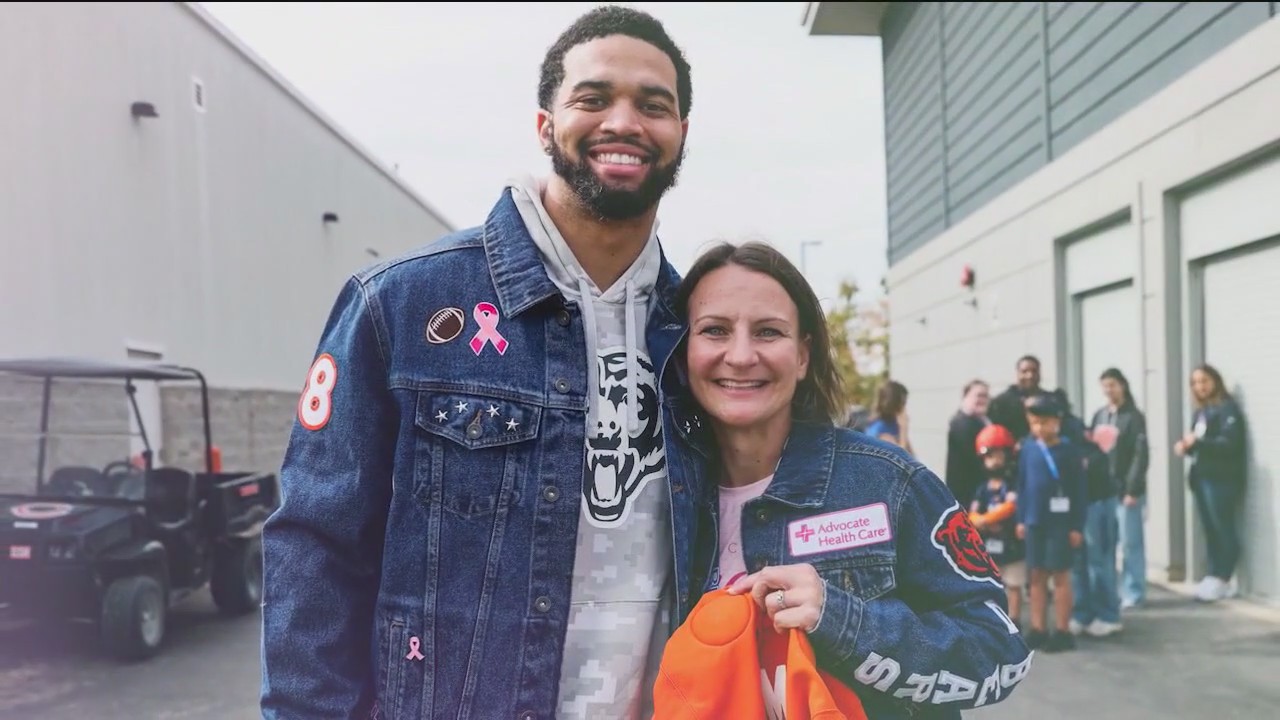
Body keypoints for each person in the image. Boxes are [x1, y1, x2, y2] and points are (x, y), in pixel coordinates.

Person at [259, 7, 698, 718]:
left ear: (680, 135)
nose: (626, 121)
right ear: (545, 125)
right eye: (593, 98)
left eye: (654, 105)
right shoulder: (399, 303)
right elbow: (315, 545)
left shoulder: (697, 337)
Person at [665, 241, 1032, 718]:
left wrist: (843, 620)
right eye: (714, 330)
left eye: (768, 332)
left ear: (802, 356)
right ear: (682, 353)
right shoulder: (658, 495)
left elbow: (999, 654)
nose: (740, 355)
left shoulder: (890, 483)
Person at [1015, 392, 1086, 653]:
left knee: (1060, 575)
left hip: (1060, 523)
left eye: (1044, 422)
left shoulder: (1068, 451)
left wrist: (1077, 525)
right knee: (1035, 575)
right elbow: (1022, 485)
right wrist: (1021, 518)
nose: (1039, 428)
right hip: (1035, 520)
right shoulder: (1028, 449)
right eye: (1034, 423)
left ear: (1057, 421)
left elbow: (1079, 490)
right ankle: (1037, 627)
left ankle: (1063, 629)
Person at [1175, 364, 1247, 603]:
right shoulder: (1201, 412)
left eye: (1204, 381)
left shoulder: (1228, 409)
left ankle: (1225, 576)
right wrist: (1186, 447)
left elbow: (1229, 444)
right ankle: (1215, 573)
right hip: (1202, 477)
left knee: (1222, 527)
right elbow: (1198, 443)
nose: (1200, 387)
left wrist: (1197, 443)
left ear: (1215, 381)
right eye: (1195, 383)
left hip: (1222, 479)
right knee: (1210, 529)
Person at [1089, 368, 1149, 609]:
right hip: (1103, 491)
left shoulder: (1134, 417)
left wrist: (1132, 489)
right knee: (1106, 544)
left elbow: (1140, 455)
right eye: (1104, 385)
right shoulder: (1099, 415)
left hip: (1126, 492)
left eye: (1112, 384)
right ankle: (1110, 592)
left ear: (1123, 386)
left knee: (1130, 543)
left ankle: (1134, 591)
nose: (1108, 390)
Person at [968, 424, 1024, 630]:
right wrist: (978, 520)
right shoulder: (982, 489)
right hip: (989, 547)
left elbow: (1010, 506)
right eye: (990, 456)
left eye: (999, 456)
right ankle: (995, 620)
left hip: (1011, 543)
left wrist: (987, 520)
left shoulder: (1011, 485)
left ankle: (1015, 619)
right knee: (992, 584)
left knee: (1014, 583)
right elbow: (972, 512)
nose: (995, 461)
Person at [945, 379, 991, 505]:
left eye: (986, 396)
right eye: (979, 395)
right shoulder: (962, 423)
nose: (983, 400)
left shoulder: (980, 420)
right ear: (965, 396)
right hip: (966, 491)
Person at [989, 356, 1043, 442]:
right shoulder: (1001, 402)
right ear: (1017, 373)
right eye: (1024, 371)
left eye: (1034, 371)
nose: (1030, 375)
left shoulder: (1049, 400)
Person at [864, 380, 913, 455]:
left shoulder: (895, 426)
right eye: (903, 403)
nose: (905, 408)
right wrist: (904, 429)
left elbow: (914, 458)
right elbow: (903, 459)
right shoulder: (881, 431)